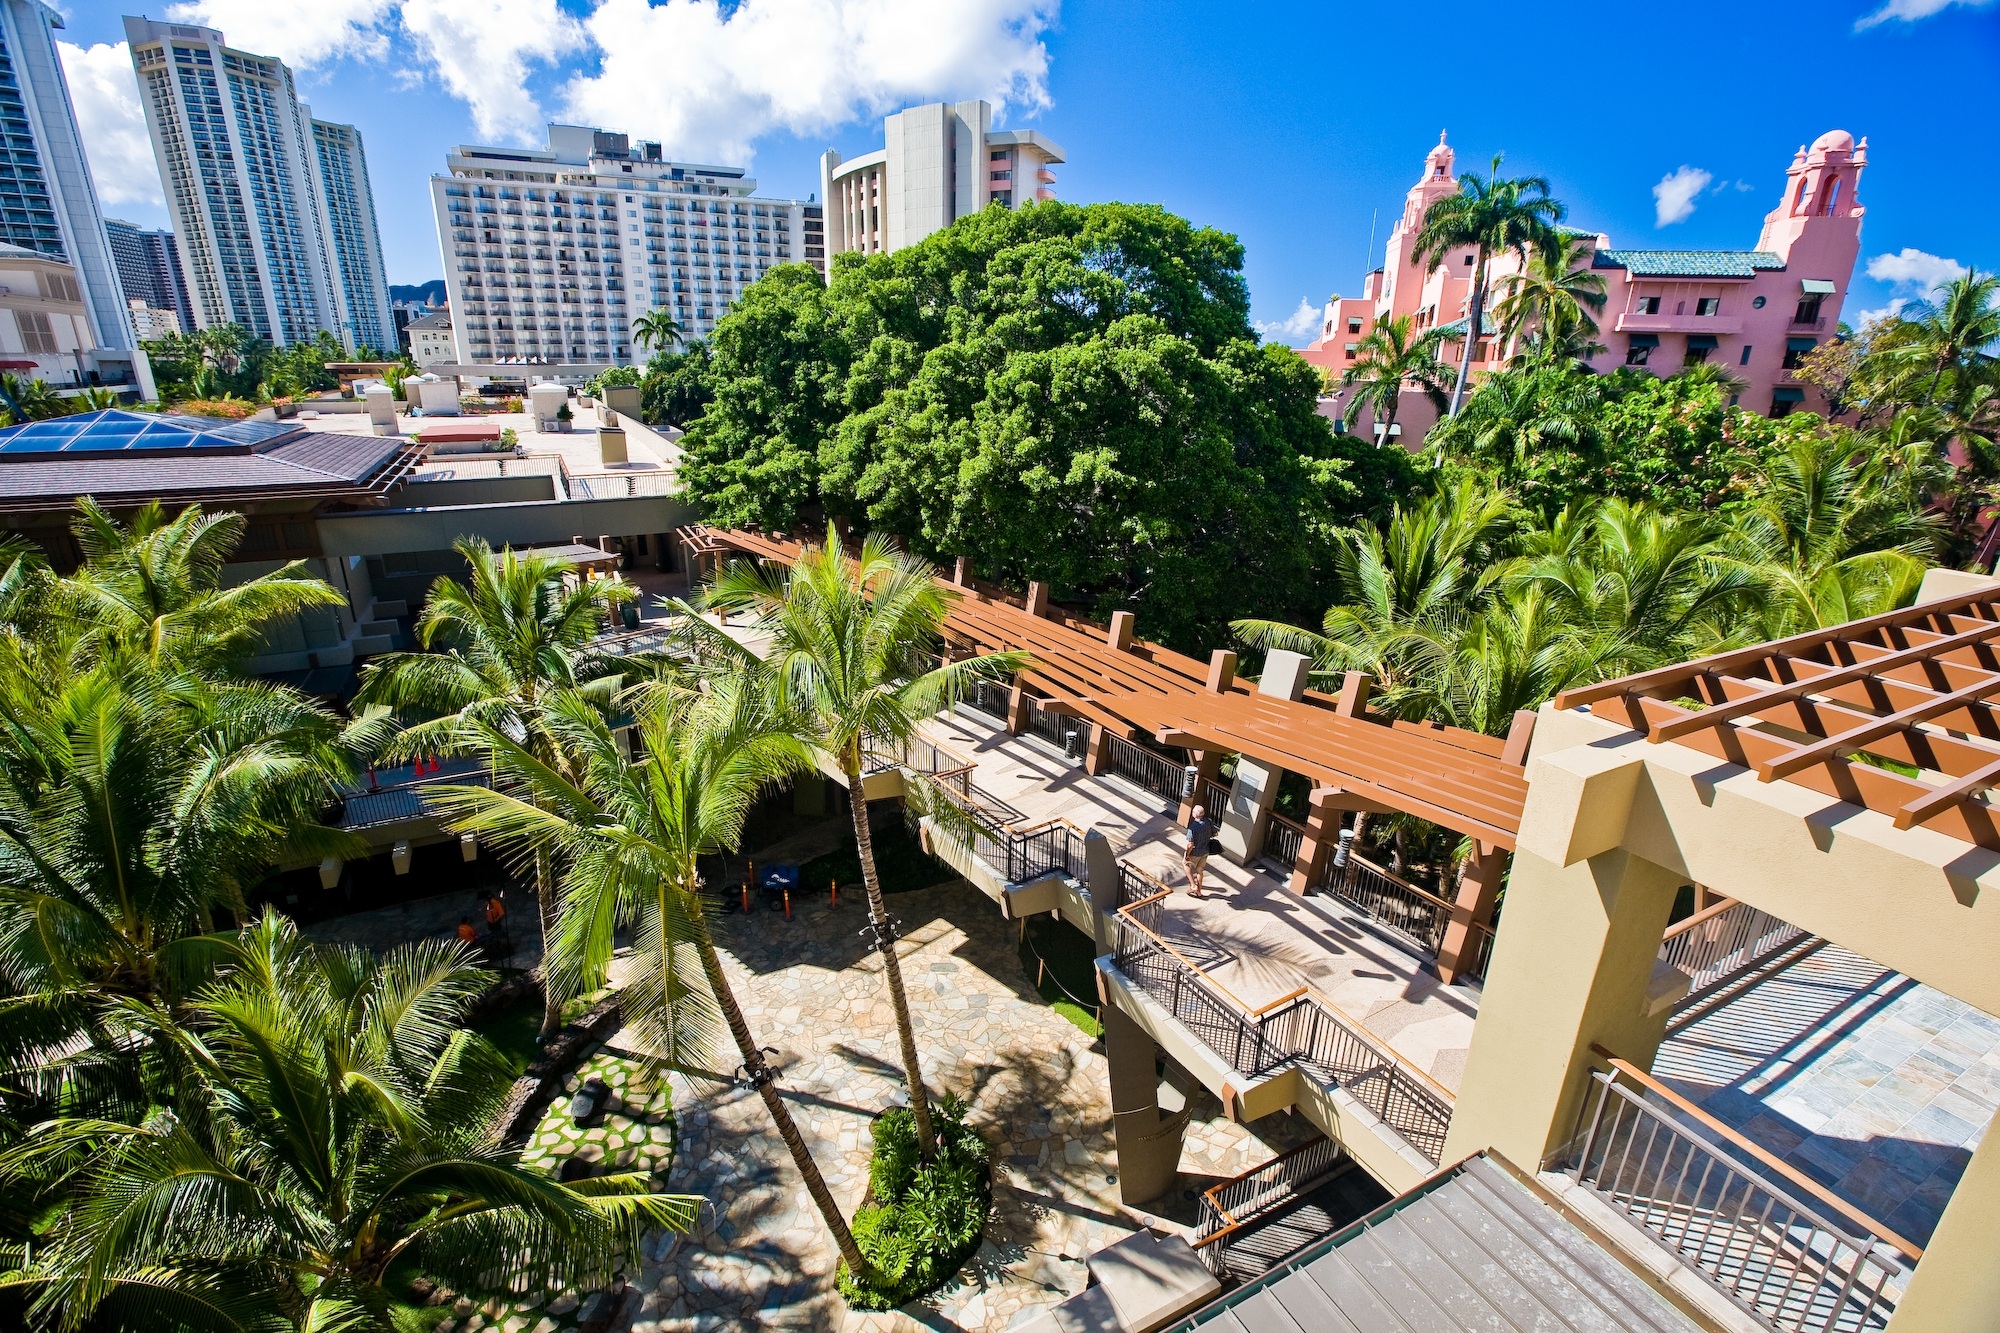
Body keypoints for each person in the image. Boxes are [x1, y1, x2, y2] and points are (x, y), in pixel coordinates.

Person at [1184, 804, 1216, 898]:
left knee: (1186, 864)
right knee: (1200, 870)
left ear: (1196, 814)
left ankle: (1193, 885)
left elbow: (1190, 844)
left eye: (1193, 811)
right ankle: (1199, 891)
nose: (1192, 812)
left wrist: (1187, 854)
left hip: (1196, 852)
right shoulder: (1208, 822)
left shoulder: (1193, 827)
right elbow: (1215, 833)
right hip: (1205, 851)